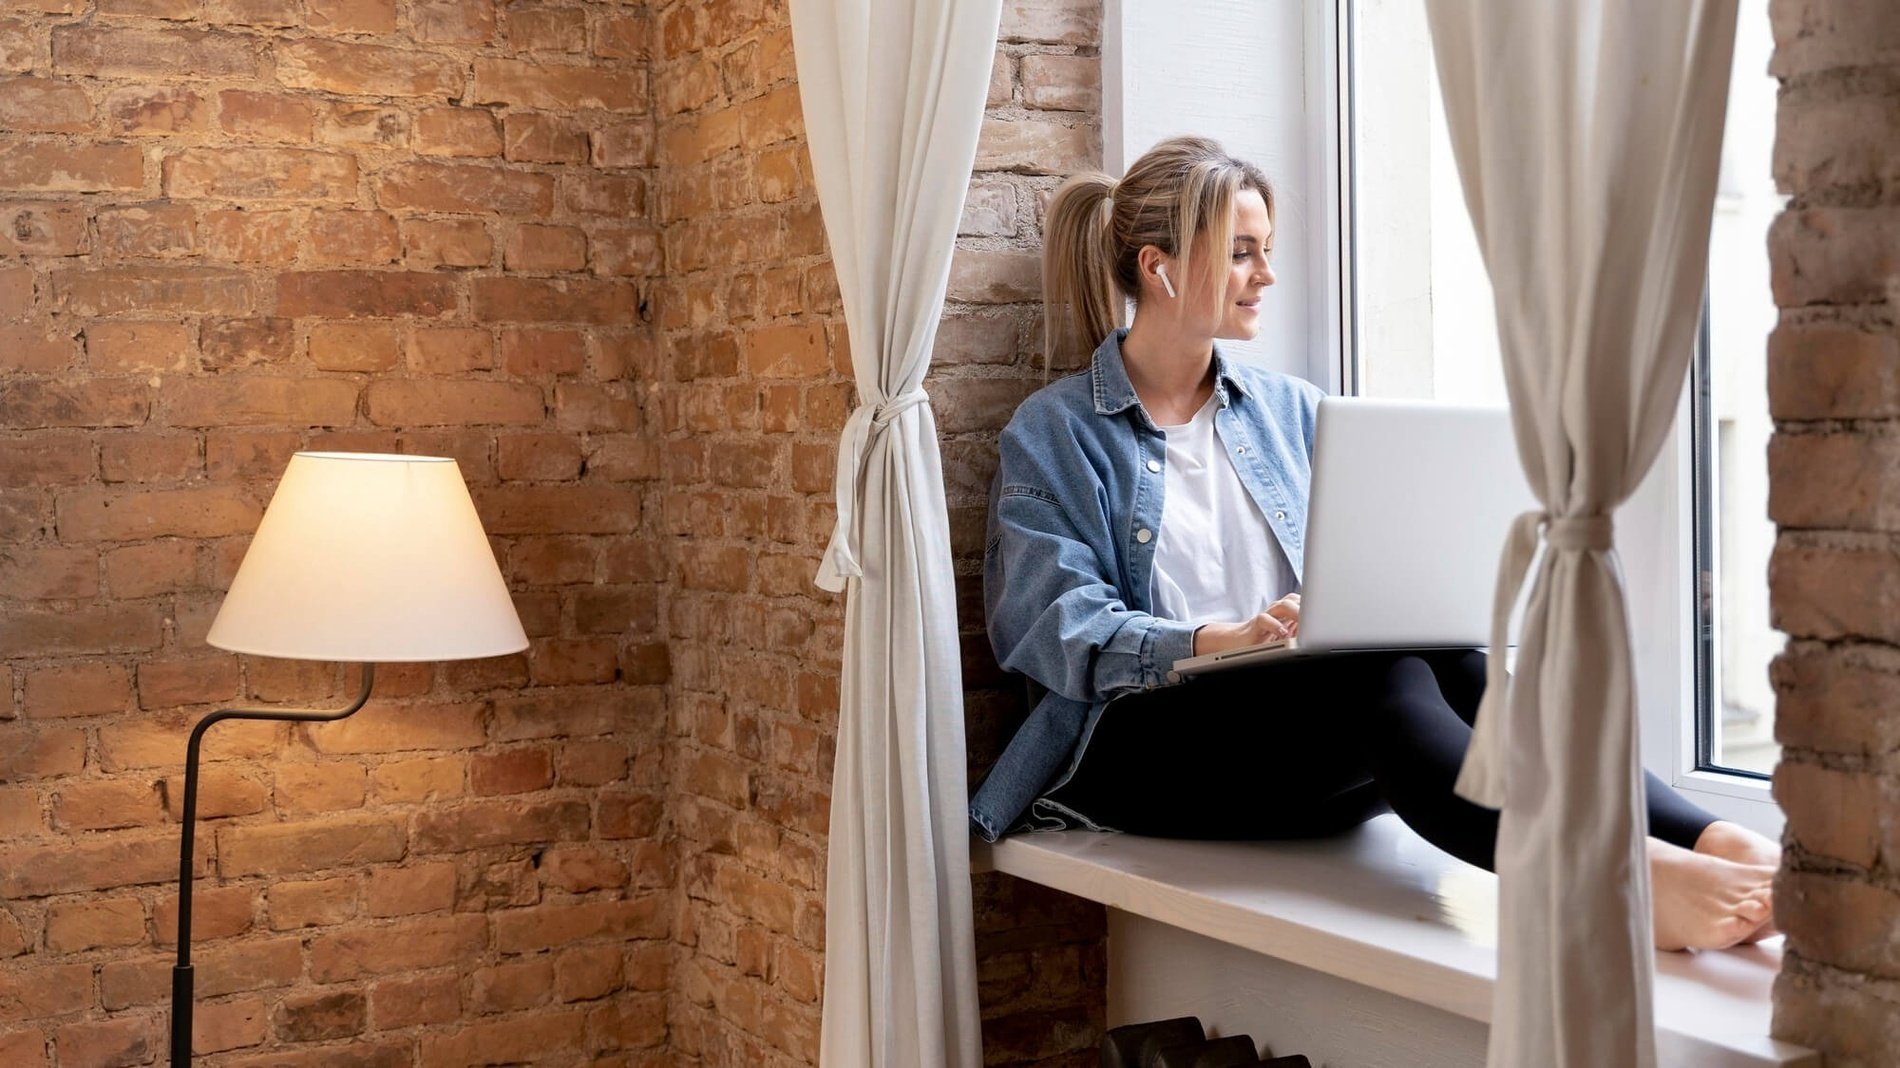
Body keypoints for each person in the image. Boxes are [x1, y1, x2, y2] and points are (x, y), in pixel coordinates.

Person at [968, 135, 1780, 952]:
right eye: (1242, 252)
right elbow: (1049, 626)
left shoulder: (1292, 411)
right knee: (1371, 675)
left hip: (1299, 756)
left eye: (1268, 251)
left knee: (1448, 654)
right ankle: (1611, 878)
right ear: (1161, 267)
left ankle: (1717, 841)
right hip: (1134, 754)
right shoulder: (1056, 432)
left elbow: (1368, 580)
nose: (1267, 275)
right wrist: (1218, 640)